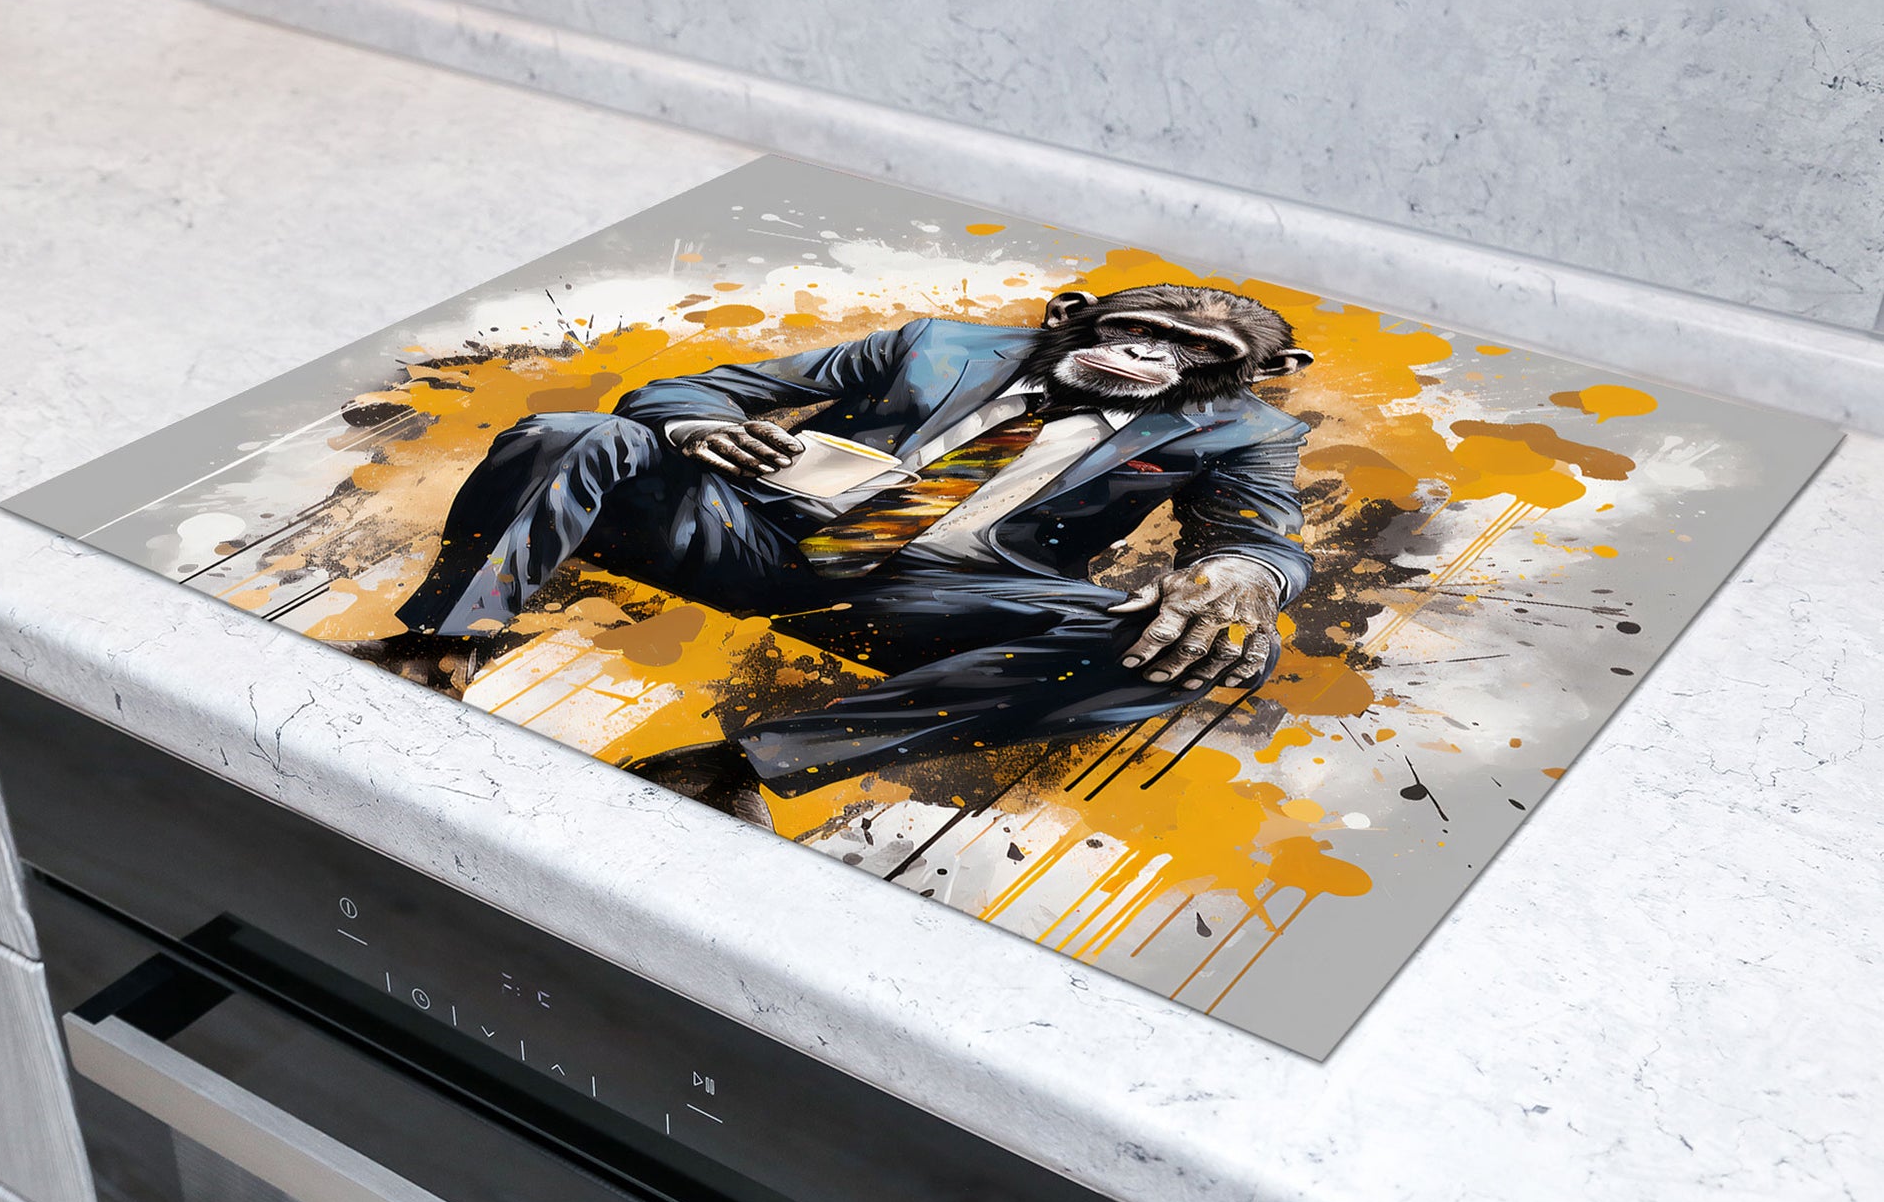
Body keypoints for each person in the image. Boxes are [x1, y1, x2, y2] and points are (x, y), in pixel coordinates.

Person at [374, 283, 1313, 823]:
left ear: (1263, 372)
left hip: (930, 595)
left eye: (1190, 349)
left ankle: (735, 766)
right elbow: (705, 389)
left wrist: (1244, 576)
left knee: (1219, 645)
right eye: (1134, 330)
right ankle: (439, 646)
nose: (1144, 356)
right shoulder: (941, 344)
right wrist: (700, 427)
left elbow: (1255, 532)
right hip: (749, 530)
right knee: (574, 433)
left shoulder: (1248, 431)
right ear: (1072, 314)